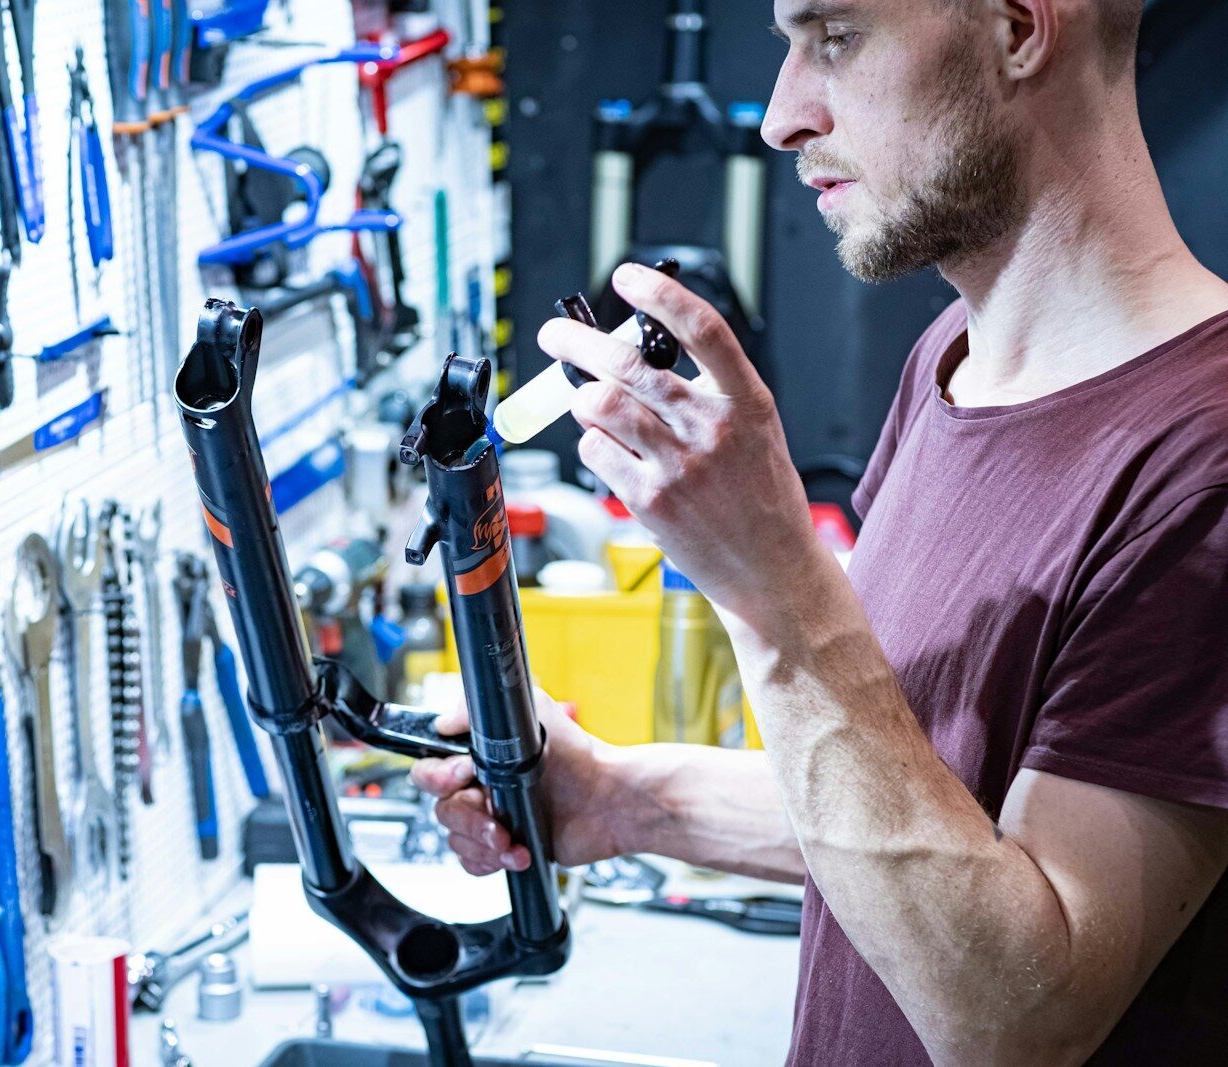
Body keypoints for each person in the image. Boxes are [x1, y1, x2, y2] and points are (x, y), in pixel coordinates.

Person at [411, 0, 1228, 1062]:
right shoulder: (956, 363)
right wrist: (631, 800)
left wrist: (770, 582)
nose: (781, 117)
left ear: (1020, 28)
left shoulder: (1202, 461)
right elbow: (928, 817)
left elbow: (1019, 1016)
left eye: (835, 37)